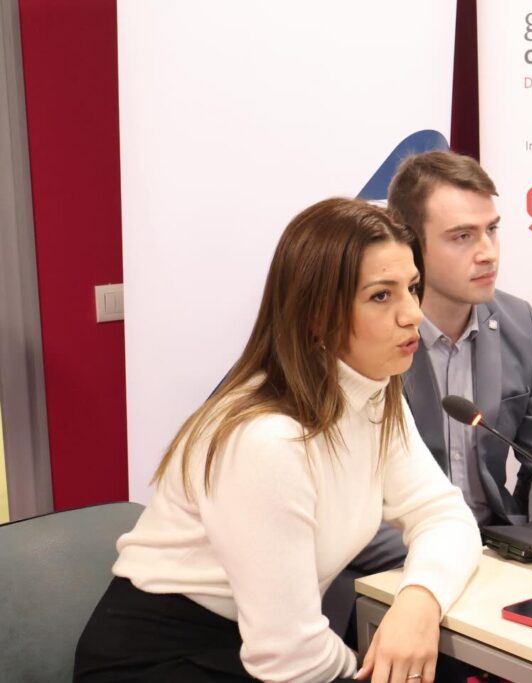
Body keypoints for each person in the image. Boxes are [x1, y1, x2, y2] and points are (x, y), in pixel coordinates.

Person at [74, 198, 481, 683]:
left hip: (263, 650)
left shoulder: (374, 394)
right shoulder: (267, 440)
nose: (412, 314)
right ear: (317, 316)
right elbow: (290, 659)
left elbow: (444, 515)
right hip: (165, 661)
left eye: (412, 288)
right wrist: (366, 669)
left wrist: (419, 601)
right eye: (380, 296)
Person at [347, 150, 532, 576]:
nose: (488, 253)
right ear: (412, 246)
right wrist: (450, 560)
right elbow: (351, 511)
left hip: (500, 551)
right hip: (402, 563)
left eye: (492, 230)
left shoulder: (519, 323)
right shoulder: (368, 338)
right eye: (462, 237)